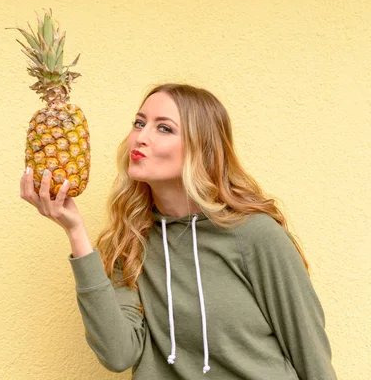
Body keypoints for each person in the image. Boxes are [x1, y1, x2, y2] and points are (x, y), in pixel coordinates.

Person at [20, 83, 336, 379]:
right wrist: (75, 232)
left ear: (203, 148)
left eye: (165, 128)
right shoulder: (130, 242)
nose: (141, 137)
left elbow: (310, 352)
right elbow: (118, 354)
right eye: (139, 123)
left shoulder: (254, 235)